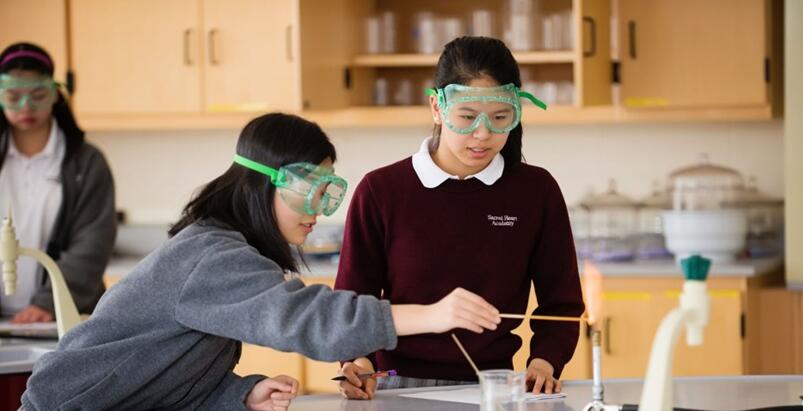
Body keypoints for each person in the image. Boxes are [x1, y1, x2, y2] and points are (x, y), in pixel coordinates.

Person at [21, 112, 501, 410]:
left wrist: (237, 394)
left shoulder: (224, 250)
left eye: (327, 194)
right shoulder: (212, 257)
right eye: (308, 191)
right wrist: (433, 315)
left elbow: (162, 380)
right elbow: (308, 319)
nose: (317, 210)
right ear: (263, 185)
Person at [335, 36, 585, 399]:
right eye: (467, 118)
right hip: (394, 386)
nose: (483, 134)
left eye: (500, 118)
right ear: (437, 108)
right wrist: (358, 362)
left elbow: (561, 303)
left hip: (495, 386)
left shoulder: (536, 191)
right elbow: (352, 304)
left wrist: (545, 363)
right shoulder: (380, 191)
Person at [0, 42, 116, 323]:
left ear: (54, 94)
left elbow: (92, 243)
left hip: (64, 318)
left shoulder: (87, 163)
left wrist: (48, 303)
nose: (26, 107)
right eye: (13, 97)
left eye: (37, 95)